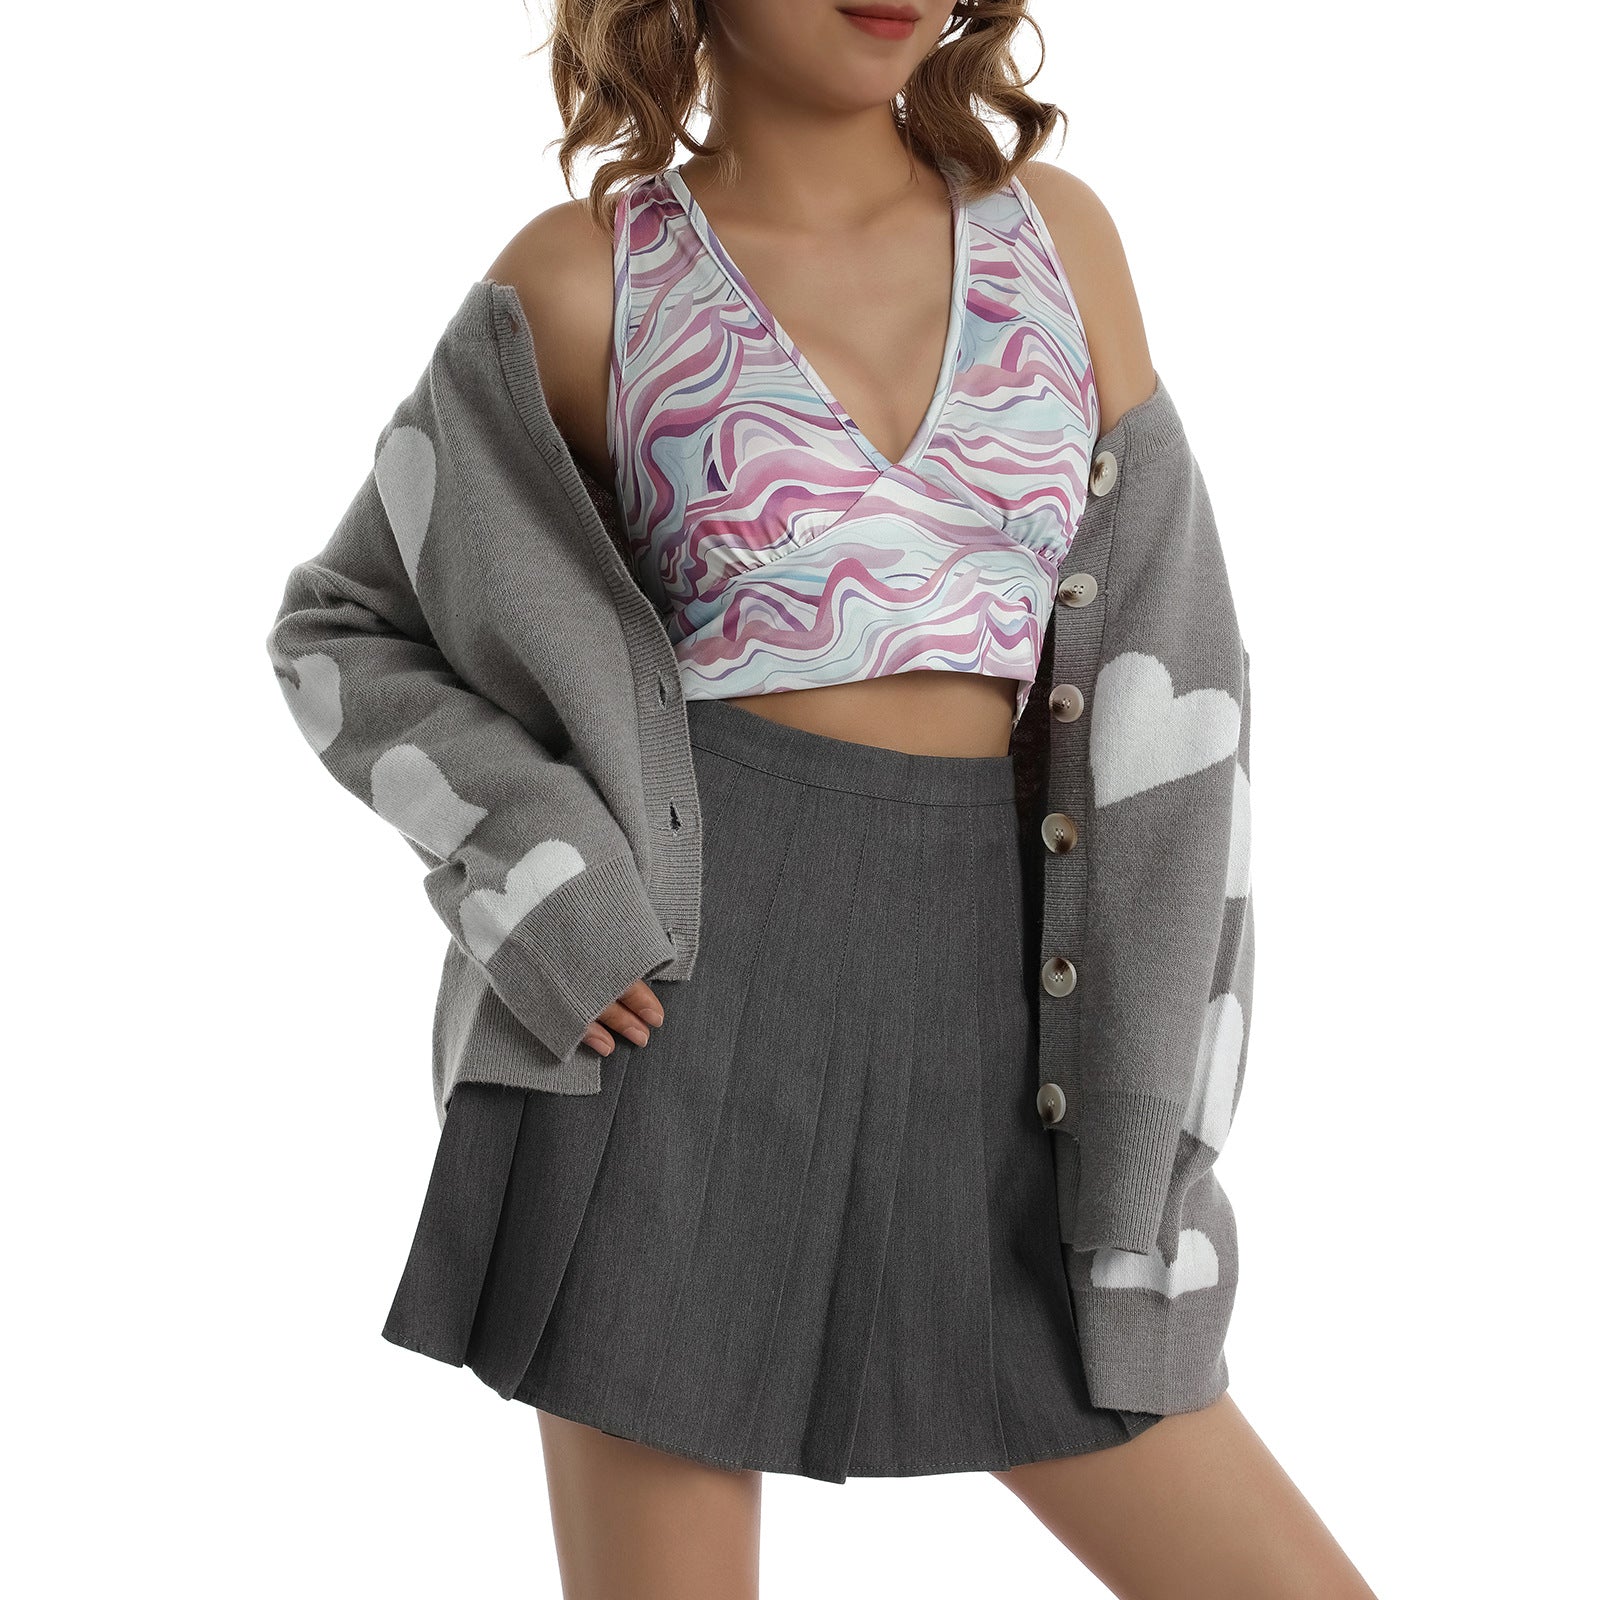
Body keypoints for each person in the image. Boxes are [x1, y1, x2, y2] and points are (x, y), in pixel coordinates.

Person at [271, 3, 1379, 1595]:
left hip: (1009, 1017)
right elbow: (347, 630)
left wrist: (1158, 1096)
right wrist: (547, 878)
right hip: (680, 1016)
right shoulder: (584, 284)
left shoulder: (1060, 245)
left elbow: (1174, 663)